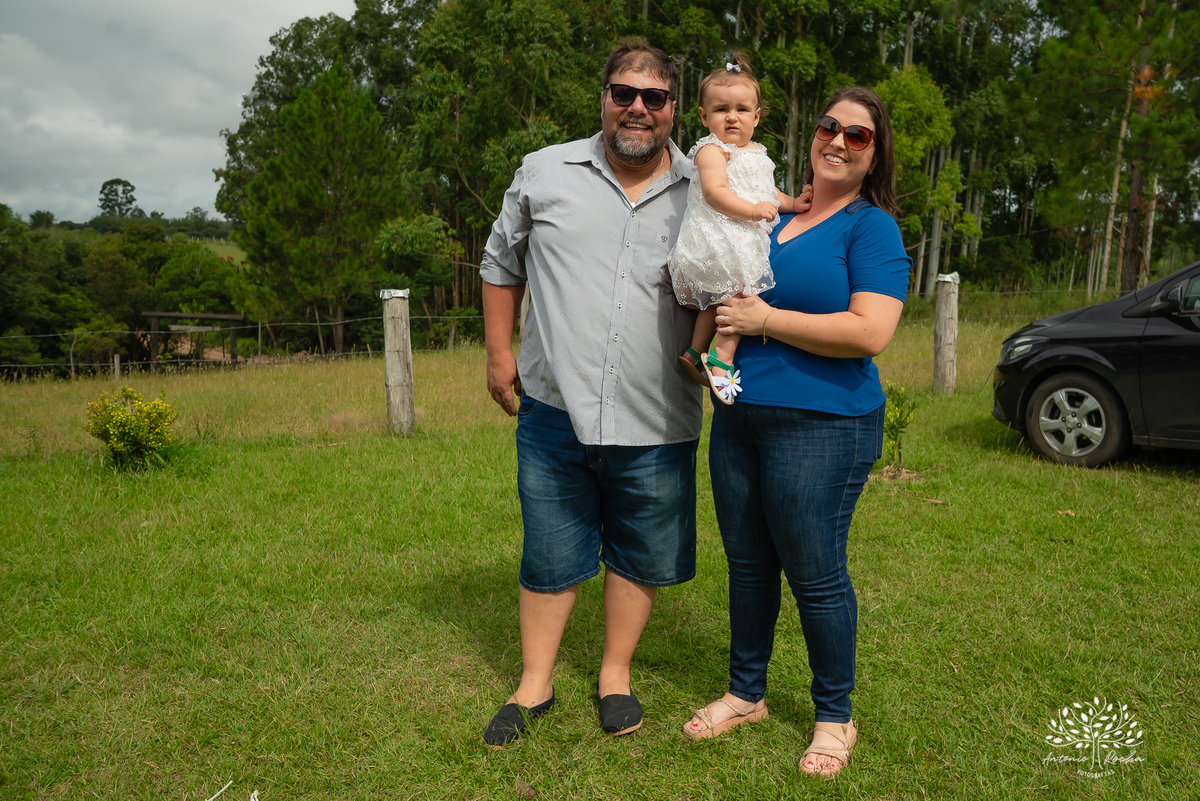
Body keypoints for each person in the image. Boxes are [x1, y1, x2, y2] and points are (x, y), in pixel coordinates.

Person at [680, 86, 911, 780]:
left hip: (825, 425)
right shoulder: (776, 214)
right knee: (749, 565)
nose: (838, 140)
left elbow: (870, 331)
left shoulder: (871, 229)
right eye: (829, 126)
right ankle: (746, 693)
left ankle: (835, 716)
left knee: (815, 572)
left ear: (875, 156)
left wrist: (766, 322)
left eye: (858, 135)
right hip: (740, 418)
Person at [479, 39, 703, 748]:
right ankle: (534, 683)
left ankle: (614, 674)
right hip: (554, 407)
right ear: (603, 98)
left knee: (640, 551)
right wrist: (498, 353)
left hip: (658, 413)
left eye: (654, 97)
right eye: (623, 93)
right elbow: (499, 261)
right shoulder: (544, 171)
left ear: (673, 108)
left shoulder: (704, 189)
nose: (638, 107)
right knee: (549, 547)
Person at [667, 55, 801, 404]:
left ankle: (694, 352)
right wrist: (754, 211)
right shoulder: (712, 151)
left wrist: (794, 204)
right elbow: (716, 193)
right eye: (721, 109)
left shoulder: (756, 153)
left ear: (756, 117)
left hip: (735, 238)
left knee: (719, 297)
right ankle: (721, 359)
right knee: (741, 295)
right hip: (716, 237)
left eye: (742, 109)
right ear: (703, 116)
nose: (731, 117)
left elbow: (769, 192)